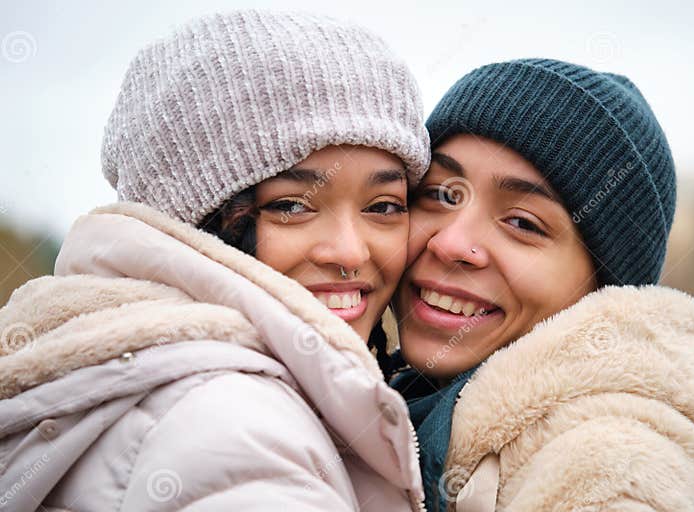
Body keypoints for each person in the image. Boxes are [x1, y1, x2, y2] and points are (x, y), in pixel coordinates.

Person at [0, 10, 430, 511]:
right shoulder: (241, 432)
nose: (351, 252)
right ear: (192, 220)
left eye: (383, 207)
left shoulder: (136, 371)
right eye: (291, 206)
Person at [390, 58, 694, 511]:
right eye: (441, 194)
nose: (452, 243)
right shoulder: (407, 409)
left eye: (522, 222)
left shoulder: (612, 474)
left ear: (603, 286)